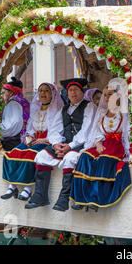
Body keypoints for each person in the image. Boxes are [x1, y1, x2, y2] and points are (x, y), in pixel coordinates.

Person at [25, 78, 95, 211]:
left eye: (76, 90)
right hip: (64, 145)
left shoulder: (89, 106)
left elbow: (86, 131)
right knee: (41, 156)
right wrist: (56, 144)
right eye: (70, 90)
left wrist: (70, 146)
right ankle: (40, 196)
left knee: (69, 159)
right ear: (67, 93)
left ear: (82, 92)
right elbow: (55, 129)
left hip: (82, 145)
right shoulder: (64, 109)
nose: (73, 93)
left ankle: (64, 198)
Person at [70, 82, 132, 211]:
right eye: (105, 95)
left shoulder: (124, 113)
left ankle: (96, 198)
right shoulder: (103, 113)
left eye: (110, 95)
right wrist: (98, 143)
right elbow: (97, 132)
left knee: (104, 159)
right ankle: (81, 198)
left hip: (117, 145)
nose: (107, 98)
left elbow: (128, 133)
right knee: (85, 156)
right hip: (103, 144)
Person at [1, 83, 64, 201]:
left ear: (52, 94)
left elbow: (57, 130)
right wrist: (28, 138)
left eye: (46, 91)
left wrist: (44, 139)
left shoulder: (57, 109)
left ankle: (28, 188)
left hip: (47, 141)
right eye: (40, 91)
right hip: (34, 140)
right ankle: (12, 185)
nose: (43, 93)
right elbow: (30, 128)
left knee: (30, 155)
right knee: (14, 152)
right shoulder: (35, 109)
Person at [0, 77, 30, 151]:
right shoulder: (22, 101)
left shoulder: (13, 104)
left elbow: (13, 124)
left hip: (14, 142)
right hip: (23, 139)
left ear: (11, 93)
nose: (2, 96)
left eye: (4, 93)